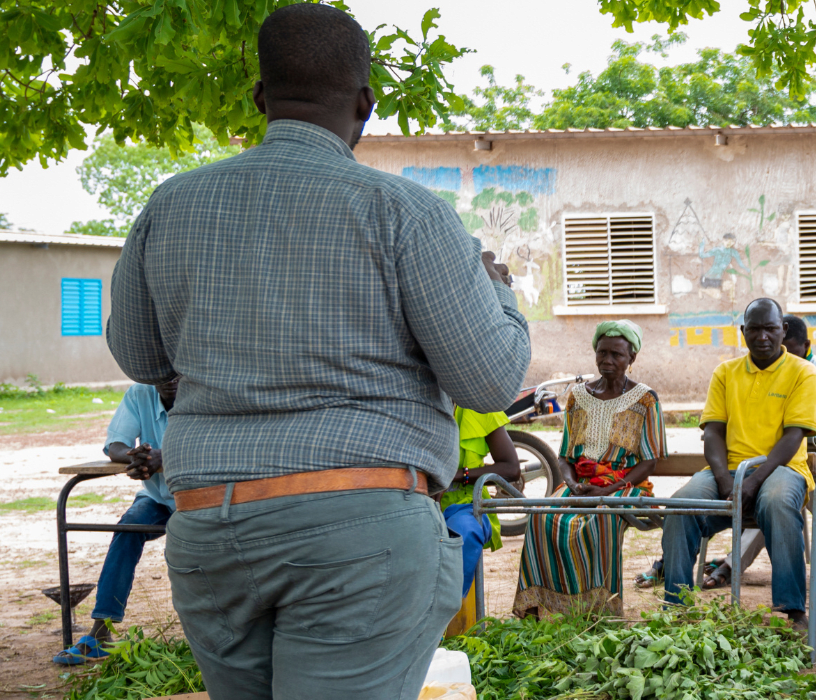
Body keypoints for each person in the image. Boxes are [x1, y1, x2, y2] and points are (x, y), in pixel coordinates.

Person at [104, 5, 531, 696]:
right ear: (365, 103)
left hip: (211, 525)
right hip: (360, 531)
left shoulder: (171, 205)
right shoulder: (405, 213)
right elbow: (488, 381)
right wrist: (499, 293)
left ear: (261, 98)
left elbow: (137, 356)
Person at [663, 299, 816, 625]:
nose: (762, 336)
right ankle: (676, 608)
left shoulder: (803, 372)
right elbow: (713, 434)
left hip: (782, 469)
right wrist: (724, 480)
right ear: (742, 332)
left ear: (783, 330)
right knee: (679, 506)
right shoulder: (725, 372)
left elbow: (793, 438)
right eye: (755, 329)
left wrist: (753, 481)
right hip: (729, 469)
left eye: (770, 329)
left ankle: (792, 610)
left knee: (776, 503)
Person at [515, 321, 662, 618]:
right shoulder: (578, 396)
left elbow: (650, 460)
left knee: (601, 522)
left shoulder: (646, 398)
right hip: (580, 483)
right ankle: (541, 606)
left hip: (623, 484)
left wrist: (609, 489)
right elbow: (565, 456)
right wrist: (573, 484)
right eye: (602, 352)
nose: (608, 360)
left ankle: (601, 611)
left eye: (617, 355)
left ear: (631, 358)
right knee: (542, 519)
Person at [705, 314, 816, 586]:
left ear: (804, 345)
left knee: (777, 498)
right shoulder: (745, 371)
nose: (780, 351)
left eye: (791, 348)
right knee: (769, 494)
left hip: (809, 453)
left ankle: (732, 563)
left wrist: (792, 435)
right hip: (766, 456)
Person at [53, 378, 179, 665]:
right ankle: (100, 634)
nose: (170, 379)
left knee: (195, 544)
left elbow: (213, 447)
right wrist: (138, 457)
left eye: (175, 372)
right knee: (127, 529)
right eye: (161, 373)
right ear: (149, 371)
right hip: (158, 497)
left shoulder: (203, 390)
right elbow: (115, 446)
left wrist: (166, 456)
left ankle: (214, 634)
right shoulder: (140, 393)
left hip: (199, 496)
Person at [441, 406, 520, 636]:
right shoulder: (413, 400)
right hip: (418, 499)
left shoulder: (476, 406)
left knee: (463, 534)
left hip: (466, 504)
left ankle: (443, 620)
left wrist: (458, 476)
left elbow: (511, 468)